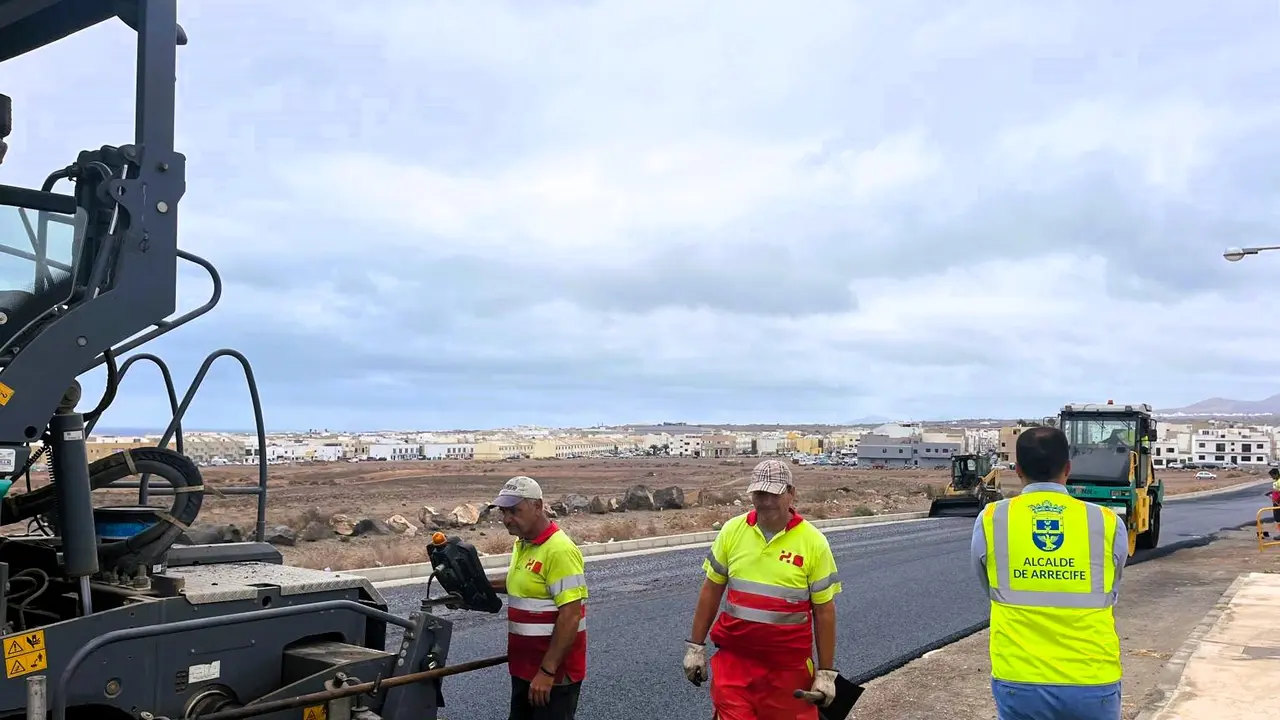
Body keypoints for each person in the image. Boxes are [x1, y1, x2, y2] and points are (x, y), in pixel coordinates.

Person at [971, 426, 1128, 719]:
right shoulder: (1106, 522)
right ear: (1068, 468)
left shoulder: (992, 519)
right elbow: (1112, 584)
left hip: (1019, 677)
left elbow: (987, 584)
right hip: (1092, 677)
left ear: (1017, 469)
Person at [683, 459, 842, 719]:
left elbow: (824, 611)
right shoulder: (733, 531)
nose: (766, 501)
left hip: (788, 671)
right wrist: (695, 647)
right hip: (735, 664)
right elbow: (711, 590)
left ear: (791, 493)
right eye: (759, 493)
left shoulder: (813, 542)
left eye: (774, 494)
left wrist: (825, 674)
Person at [487, 476, 588, 720]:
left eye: (514, 511)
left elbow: (571, 615)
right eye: (503, 512)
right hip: (525, 669)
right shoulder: (523, 544)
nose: (507, 519)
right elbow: (522, 585)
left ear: (538, 506)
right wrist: (477, 588)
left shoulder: (559, 550)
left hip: (552, 675)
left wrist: (547, 671)